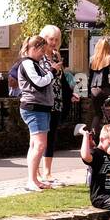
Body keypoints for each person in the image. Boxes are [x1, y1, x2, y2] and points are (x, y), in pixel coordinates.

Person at [40, 24, 78, 185]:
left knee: (52, 135)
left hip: (56, 101)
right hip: (43, 102)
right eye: (51, 39)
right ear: (44, 39)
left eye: (56, 39)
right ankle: (36, 170)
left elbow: (61, 80)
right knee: (41, 137)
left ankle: (47, 171)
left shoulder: (56, 56)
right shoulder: (38, 57)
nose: (54, 42)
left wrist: (70, 93)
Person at [17, 35, 55, 192]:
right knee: (40, 146)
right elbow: (38, 83)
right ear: (33, 49)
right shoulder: (27, 64)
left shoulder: (34, 63)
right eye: (41, 51)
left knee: (35, 145)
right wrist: (52, 72)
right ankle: (31, 181)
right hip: (34, 108)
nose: (42, 54)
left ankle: (34, 179)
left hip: (40, 108)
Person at [80, 122, 110, 210]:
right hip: (101, 197)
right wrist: (85, 136)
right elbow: (85, 156)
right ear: (101, 140)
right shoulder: (97, 154)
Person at [87, 38, 110, 134]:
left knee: (97, 114)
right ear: (108, 47)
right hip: (107, 89)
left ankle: (93, 138)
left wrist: (88, 92)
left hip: (94, 90)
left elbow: (90, 77)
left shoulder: (92, 59)